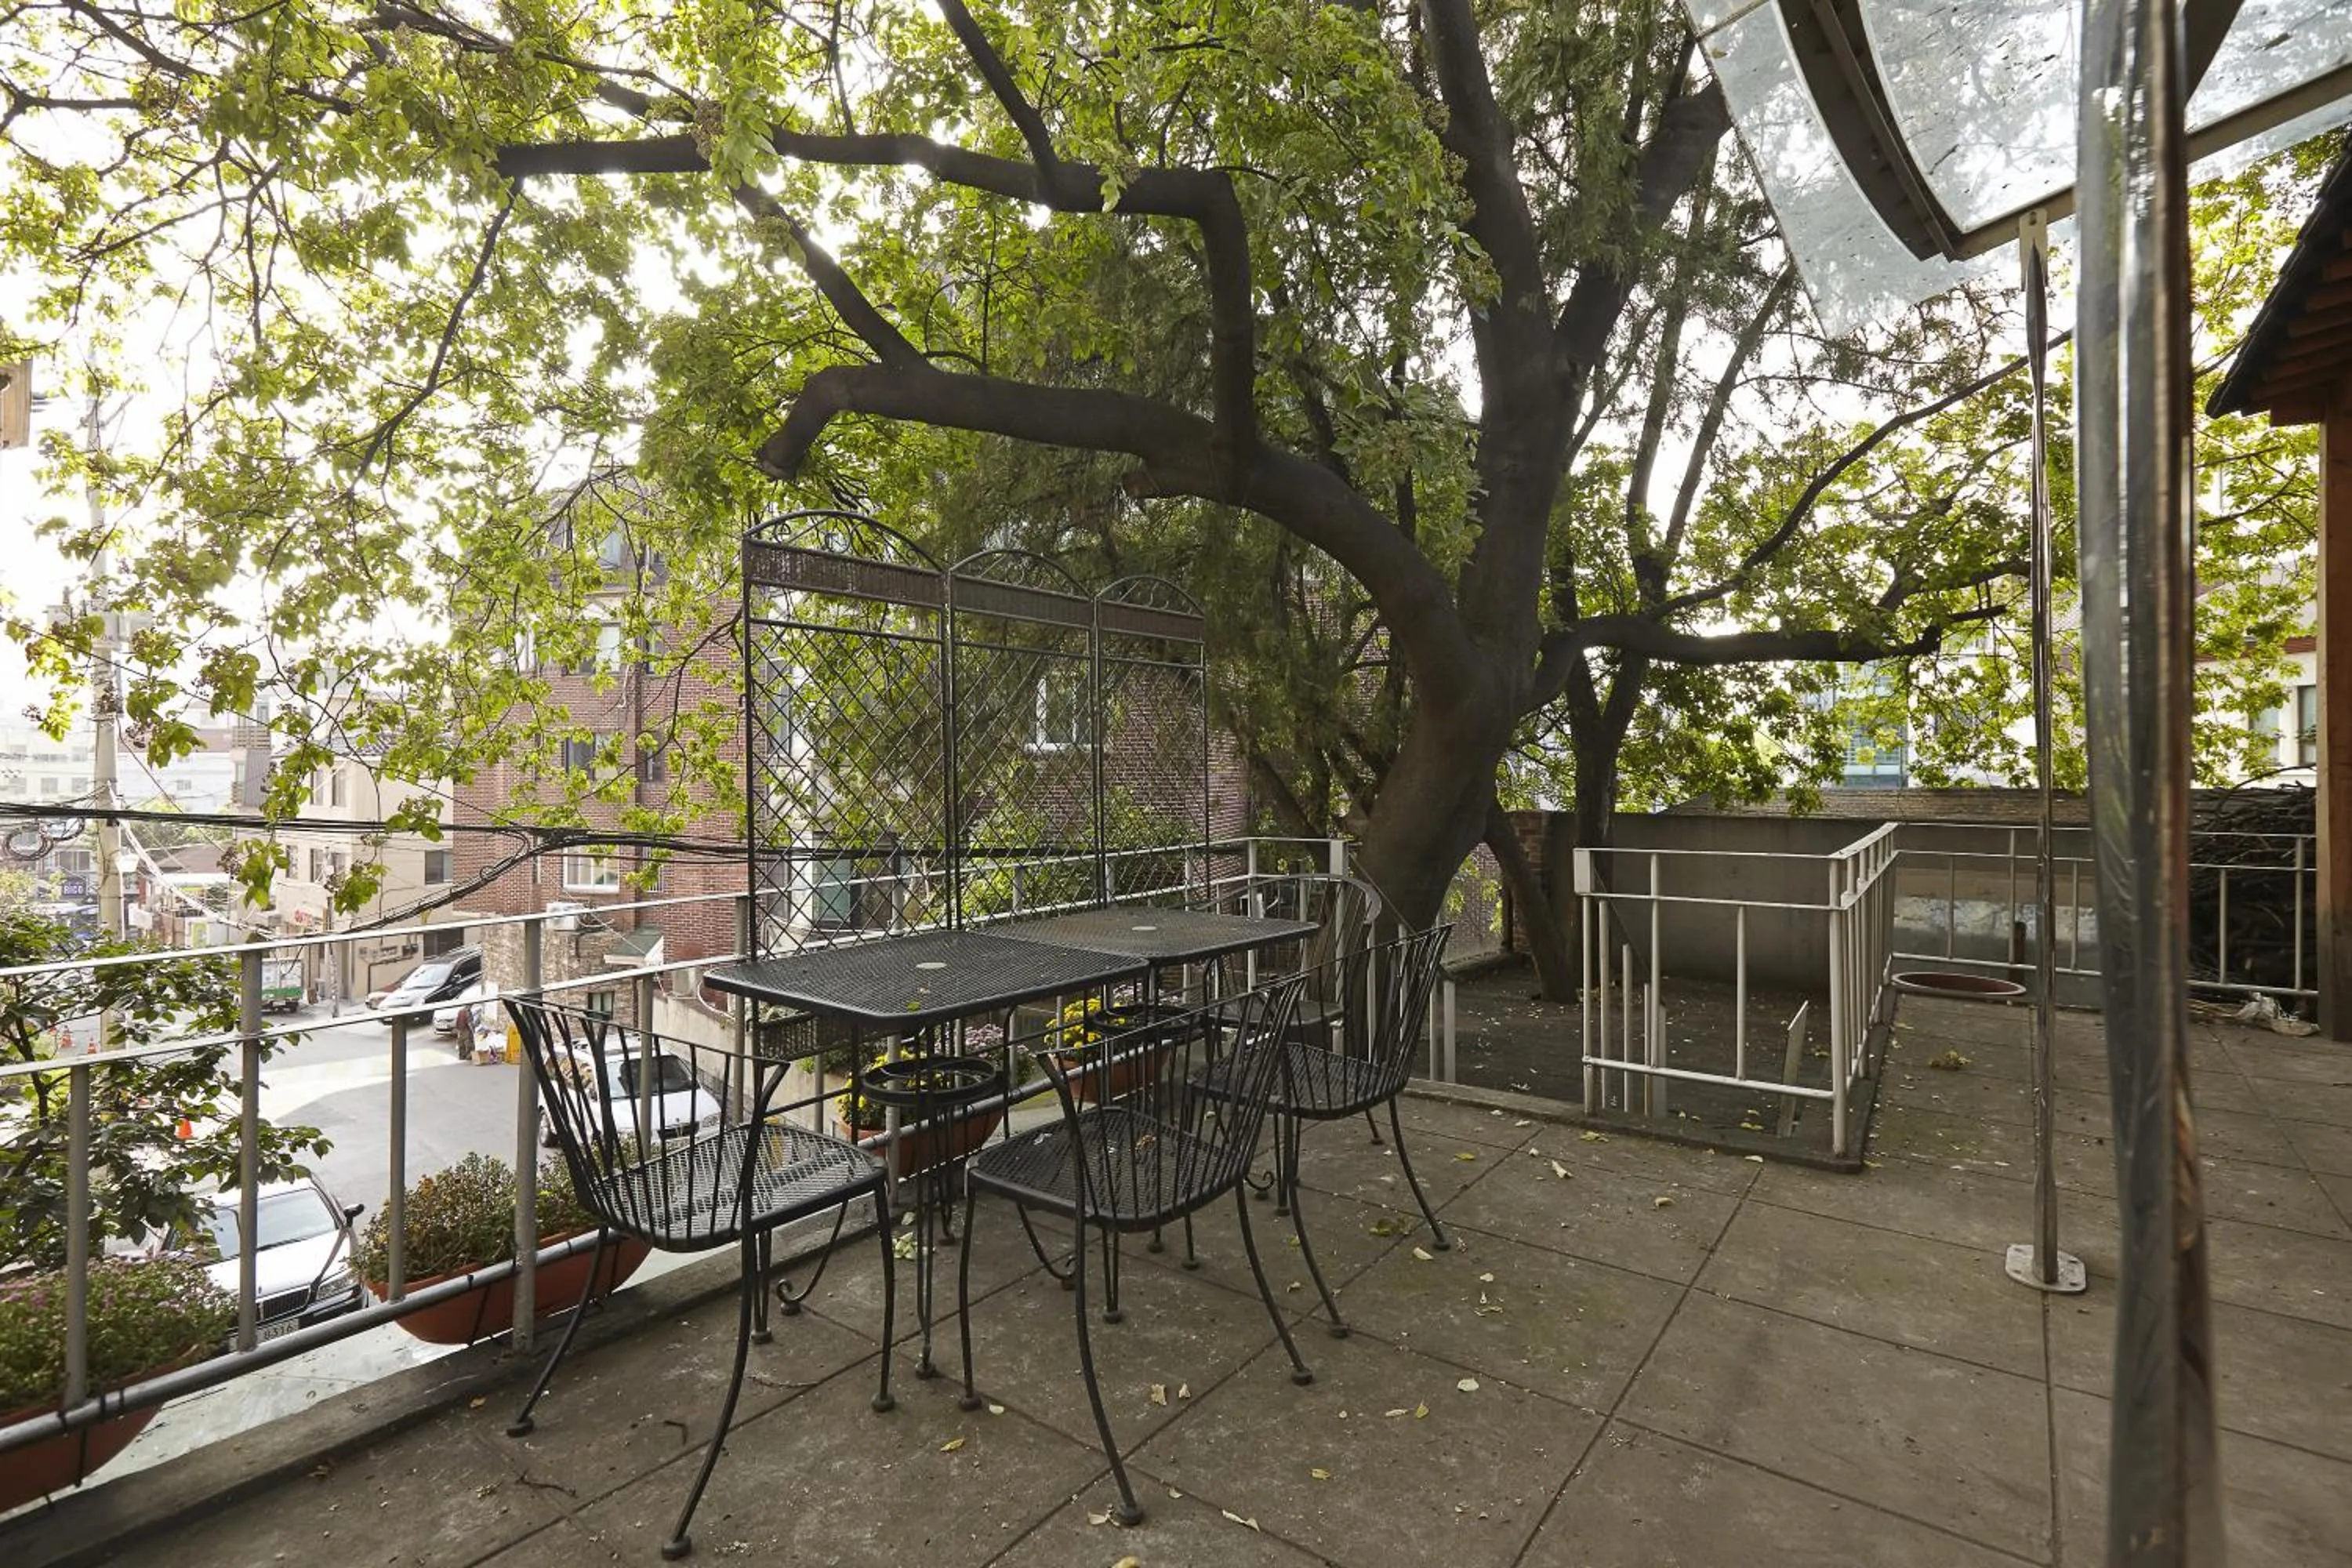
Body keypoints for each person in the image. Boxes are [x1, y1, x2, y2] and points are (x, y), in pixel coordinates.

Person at [451, 996, 477, 1061]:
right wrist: (473, 1031)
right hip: (466, 1029)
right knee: (468, 1043)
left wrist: (457, 1030)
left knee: (461, 1043)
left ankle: (462, 1056)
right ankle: (468, 1056)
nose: (471, 1007)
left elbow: (457, 1020)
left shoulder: (460, 1011)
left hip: (460, 1030)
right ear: (470, 1006)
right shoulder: (468, 1012)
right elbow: (469, 1023)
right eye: (471, 1005)